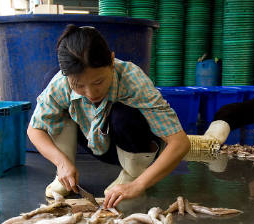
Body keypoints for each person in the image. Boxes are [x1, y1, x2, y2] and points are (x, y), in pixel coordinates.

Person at [27, 25, 190, 208]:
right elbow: (35, 129)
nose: (90, 92)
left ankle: (132, 175)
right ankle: (64, 175)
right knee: (57, 111)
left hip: (127, 145)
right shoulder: (61, 83)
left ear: (112, 61)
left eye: (98, 81)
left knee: (124, 115)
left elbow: (180, 142)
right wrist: (61, 162)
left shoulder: (132, 79)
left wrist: (139, 184)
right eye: (79, 86)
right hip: (91, 140)